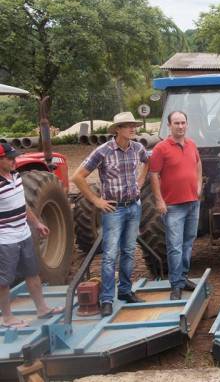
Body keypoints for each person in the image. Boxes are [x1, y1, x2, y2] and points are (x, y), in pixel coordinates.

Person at [72, 112, 148, 316]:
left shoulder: (138, 148)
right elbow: (78, 177)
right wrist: (96, 201)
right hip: (114, 209)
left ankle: (125, 291)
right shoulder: (103, 151)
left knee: (129, 251)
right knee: (109, 255)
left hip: (134, 206)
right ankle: (107, 299)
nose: (133, 128)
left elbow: (148, 162)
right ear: (117, 129)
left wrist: (140, 181)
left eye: (133, 125)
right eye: (127, 126)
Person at [0, 143, 63, 328]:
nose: (14, 161)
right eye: (10, 158)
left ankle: (42, 309)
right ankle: (7, 318)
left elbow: (23, 206)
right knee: (4, 281)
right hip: (5, 239)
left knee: (32, 273)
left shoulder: (16, 177)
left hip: (24, 234)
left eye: (14, 157)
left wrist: (37, 223)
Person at [149, 111, 202, 300]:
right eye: (176, 123)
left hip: (192, 203)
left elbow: (197, 163)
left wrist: (198, 186)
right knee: (175, 247)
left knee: (188, 243)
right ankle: (176, 284)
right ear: (169, 126)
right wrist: (159, 200)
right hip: (173, 206)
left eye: (183, 123)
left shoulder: (192, 144)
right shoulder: (160, 149)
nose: (180, 126)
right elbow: (154, 174)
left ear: (187, 125)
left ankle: (183, 277)